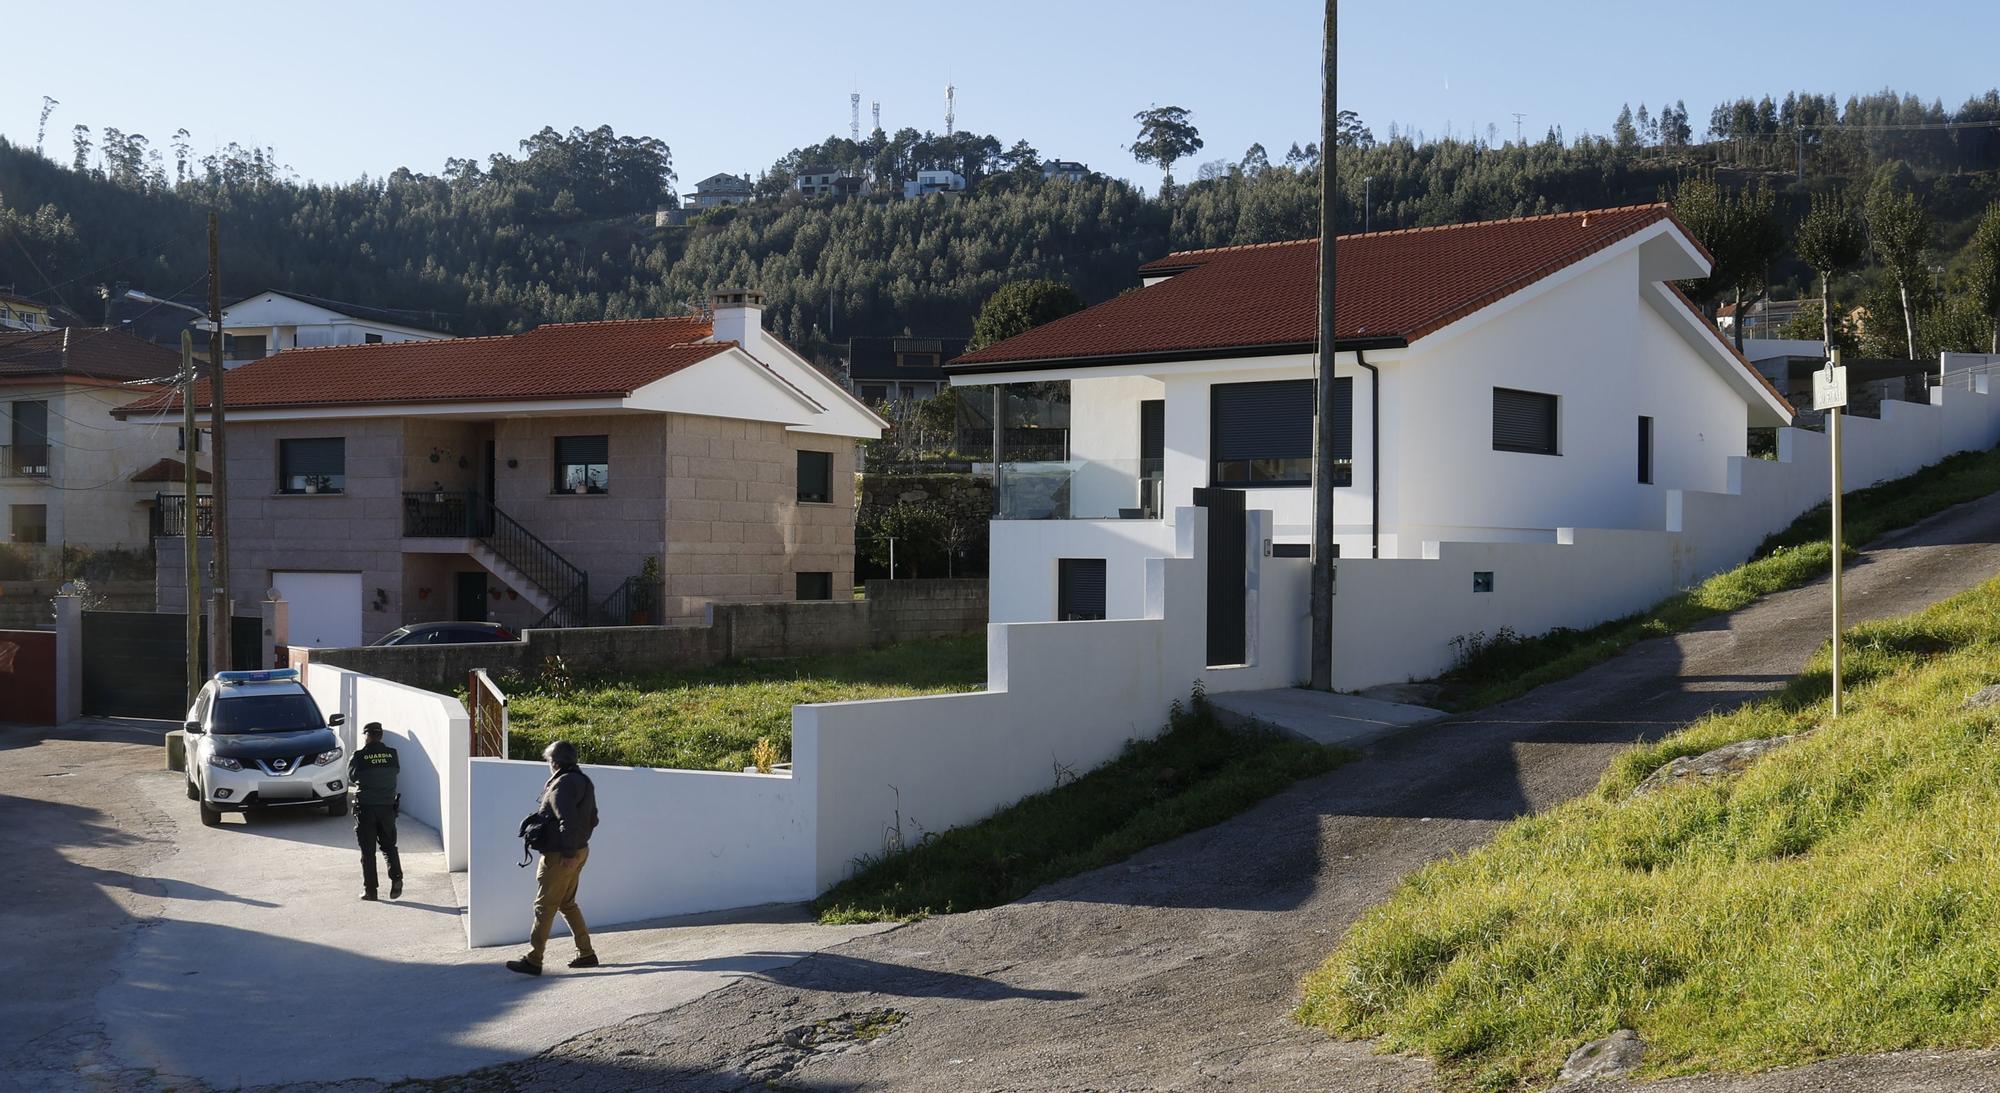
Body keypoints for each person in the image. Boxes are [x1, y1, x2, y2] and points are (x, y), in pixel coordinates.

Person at [507, 739, 599, 976]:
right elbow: (593, 819)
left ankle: (534, 959)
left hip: (561, 855)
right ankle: (586, 953)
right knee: (567, 903)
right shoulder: (583, 781)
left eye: (549, 761)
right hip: (579, 851)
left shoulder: (562, 784)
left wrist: (568, 852)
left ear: (555, 762)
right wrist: (577, 847)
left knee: (543, 906)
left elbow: (566, 820)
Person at [346, 722, 403, 902]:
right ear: (381, 736)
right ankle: (397, 878)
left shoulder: (359, 755)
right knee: (389, 846)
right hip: (387, 807)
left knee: (368, 852)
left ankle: (370, 891)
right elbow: (396, 771)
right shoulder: (392, 754)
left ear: (367, 735)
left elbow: (352, 777)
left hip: (366, 807)